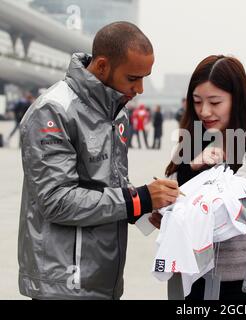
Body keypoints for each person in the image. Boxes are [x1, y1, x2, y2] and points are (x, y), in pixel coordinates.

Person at [18, 21, 180, 300]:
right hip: (63, 285)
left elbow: (108, 185)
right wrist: (138, 199)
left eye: (145, 77)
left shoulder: (116, 112)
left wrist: (142, 210)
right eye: (132, 78)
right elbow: (56, 201)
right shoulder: (53, 111)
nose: (140, 88)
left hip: (104, 280)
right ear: (103, 66)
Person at [150, 55, 246, 300]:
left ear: (238, 99)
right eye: (198, 102)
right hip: (194, 277)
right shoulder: (191, 142)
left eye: (215, 102)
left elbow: (235, 210)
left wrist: (181, 211)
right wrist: (190, 168)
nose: (204, 111)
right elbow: (168, 200)